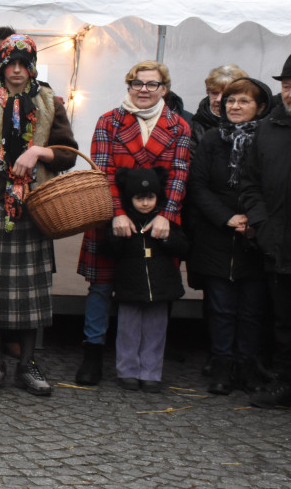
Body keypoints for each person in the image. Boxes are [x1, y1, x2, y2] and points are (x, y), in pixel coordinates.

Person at [0, 35, 77, 395]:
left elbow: (69, 153)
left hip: (33, 210)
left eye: (22, 64)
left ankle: (27, 364)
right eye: (9, 64)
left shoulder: (48, 102)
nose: (15, 71)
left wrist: (40, 152)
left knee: (31, 295)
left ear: (32, 67)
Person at [75, 60, 192, 385]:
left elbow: (179, 177)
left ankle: (148, 365)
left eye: (151, 84)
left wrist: (166, 216)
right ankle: (93, 354)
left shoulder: (179, 126)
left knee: (155, 290)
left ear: (164, 89)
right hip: (111, 216)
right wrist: (119, 213)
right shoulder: (108, 122)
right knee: (100, 287)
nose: (143, 89)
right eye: (137, 83)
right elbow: (103, 173)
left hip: (159, 223)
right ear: (129, 86)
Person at [188, 77, 271, 394]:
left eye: (244, 101)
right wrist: (227, 218)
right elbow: (198, 186)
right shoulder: (211, 139)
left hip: (256, 235)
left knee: (252, 309)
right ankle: (221, 366)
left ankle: (246, 366)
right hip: (216, 235)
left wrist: (254, 219)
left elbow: (275, 186)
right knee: (221, 308)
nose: (235, 107)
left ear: (259, 107)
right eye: (231, 101)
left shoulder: (269, 139)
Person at [108, 167, 188, 392]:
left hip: (161, 288)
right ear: (129, 198)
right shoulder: (123, 222)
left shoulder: (166, 222)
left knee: (156, 331)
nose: (145, 203)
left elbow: (184, 247)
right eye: (139, 198)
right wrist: (118, 237)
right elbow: (108, 249)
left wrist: (166, 238)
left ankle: (152, 372)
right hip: (130, 286)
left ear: (158, 197)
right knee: (128, 331)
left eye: (150, 198)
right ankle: (128, 371)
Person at [239, 68, 291, 408]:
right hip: (280, 242)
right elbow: (249, 182)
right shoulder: (267, 130)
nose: (290, 94)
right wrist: (263, 221)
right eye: (287, 87)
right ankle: (285, 385)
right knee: (284, 320)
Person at [189, 65, 249, 154]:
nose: (218, 99)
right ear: (207, 91)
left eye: (226, 94)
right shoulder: (194, 126)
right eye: (214, 93)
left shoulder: (250, 126)